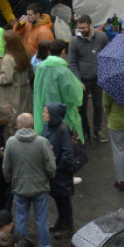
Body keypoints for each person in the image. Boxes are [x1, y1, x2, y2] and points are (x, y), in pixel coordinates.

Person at [2, 112, 56, 247]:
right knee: (42, 220)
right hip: (40, 187)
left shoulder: (11, 142)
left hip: (20, 187)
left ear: (19, 125)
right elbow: (51, 166)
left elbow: (6, 167)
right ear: (32, 125)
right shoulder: (42, 142)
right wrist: (49, 177)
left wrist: (10, 180)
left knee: (20, 220)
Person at [67, 15, 109, 144]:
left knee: (98, 105)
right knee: (81, 108)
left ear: (90, 25)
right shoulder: (74, 41)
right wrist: (78, 80)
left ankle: (97, 130)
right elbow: (72, 63)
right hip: (82, 80)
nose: (81, 31)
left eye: (84, 28)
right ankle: (82, 132)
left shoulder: (102, 37)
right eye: (79, 28)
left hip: (98, 79)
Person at [32, 40, 84, 144]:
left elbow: (37, 88)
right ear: (63, 51)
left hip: (43, 109)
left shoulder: (41, 67)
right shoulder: (63, 71)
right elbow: (73, 93)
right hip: (62, 113)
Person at [41, 102, 76, 239]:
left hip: (60, 173)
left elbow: (67, 154)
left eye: (46, 112)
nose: (43, 114)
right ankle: (61, 221)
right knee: (58, 198)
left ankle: (68, 225)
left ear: (53, 115)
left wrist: (56, 168)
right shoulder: (47, 127)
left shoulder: (64, 129)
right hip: (52, 172)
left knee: (63, 199)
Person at [0, 30, 34, 117]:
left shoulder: (9, 58)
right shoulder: (26, 54)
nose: (4, 43)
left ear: (9, 43)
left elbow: (6, 78)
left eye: (4, 41)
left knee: (12, 119)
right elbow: (30, 72)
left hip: (12, 95)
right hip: (26, 92)